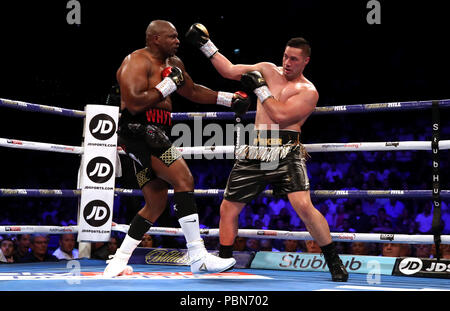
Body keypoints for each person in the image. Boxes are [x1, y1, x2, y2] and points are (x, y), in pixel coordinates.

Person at [185, 23, 348, 281]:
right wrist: (205, 44)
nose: (287, 62)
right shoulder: (267, 69)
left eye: (294, 59)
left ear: (306, 61)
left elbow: (281, 115)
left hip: (286, 148)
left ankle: (334, 261)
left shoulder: (308, 91)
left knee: (303, 206)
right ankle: (224, 261)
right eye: (285, 56)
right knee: (228, 207)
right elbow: (228, 70)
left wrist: (260, 88)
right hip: (258, 147)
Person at [104, 20, 250, 277]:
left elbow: (192, 91)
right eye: (171, 37)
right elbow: (135, 104)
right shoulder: (136, 62)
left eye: (177, 37)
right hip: (140, 132)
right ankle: (198, 256)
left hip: (157, 132)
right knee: (184, 178)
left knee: (156, 202)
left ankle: (118, 260)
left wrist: (229, 100)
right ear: (155, 39)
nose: (178, 40)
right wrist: (168, 85)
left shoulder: (175, 64)